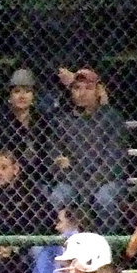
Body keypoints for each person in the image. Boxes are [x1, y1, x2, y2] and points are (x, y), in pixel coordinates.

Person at [46, 68, 128, 233]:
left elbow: (112, 164)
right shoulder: (61, 121)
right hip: (71, 181)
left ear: (98, 90)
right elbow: (56, 162)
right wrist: (77, 180)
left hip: (105, 181)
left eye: (88, 88)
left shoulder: (112, 118)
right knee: (58, 196)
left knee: (105, 198)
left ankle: (105, 247)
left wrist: (86, 188)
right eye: (77, 88)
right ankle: (65, 248)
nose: (82, 93)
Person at [0, 70, 53, 183]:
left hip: (39, 174)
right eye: (17, 91)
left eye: (27, 91)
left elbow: (47, 149)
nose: (22, 96)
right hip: (6, 174)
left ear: (33, 96)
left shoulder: (41, 119)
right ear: (9, 95)